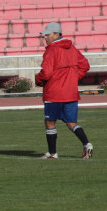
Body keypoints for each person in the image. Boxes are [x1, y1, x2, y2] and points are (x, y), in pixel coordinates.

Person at [35, 22, 93, 159]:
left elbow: (47, 73)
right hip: (71, 92)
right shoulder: (72, 48)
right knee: (72, 123)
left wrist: (38, 79)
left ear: (56, 34)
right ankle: (87, 144)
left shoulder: (51, 50)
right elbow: (85, 66)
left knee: (50, 122)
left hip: (54, 93)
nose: (46, 38)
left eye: (47, 35)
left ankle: (52, 153)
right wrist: (72, 79)